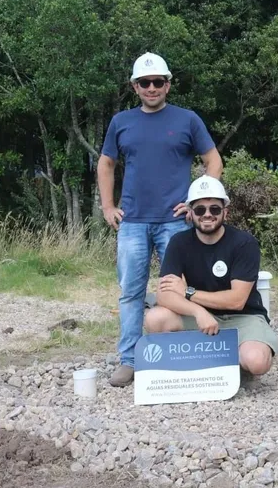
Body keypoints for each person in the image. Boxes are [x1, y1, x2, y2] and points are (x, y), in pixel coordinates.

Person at [98, 52, 223, 387]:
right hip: (133, 221)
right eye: (144, 83)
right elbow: (106, 164)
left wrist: (196, 202)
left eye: (158, 82)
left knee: (184, 288)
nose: (151, 88)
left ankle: (188, 353)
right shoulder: (121, 122)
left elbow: (213, 161)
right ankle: (129, 359)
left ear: (168, 84)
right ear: (134, 86)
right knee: (130, 292)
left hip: (175, 222)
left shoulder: (187, 120)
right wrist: (108, 207)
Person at [143, 175, 278, 376]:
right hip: (200, 319)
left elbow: (237, 301)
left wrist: (188, 292)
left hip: (244, 317)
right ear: (190, 213)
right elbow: (164, 295)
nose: (207, 214)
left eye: (214, 209)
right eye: (200, 209)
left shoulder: (244, 243)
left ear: (226, 213)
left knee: (257, 362)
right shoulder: (178, 243)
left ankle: (233, 364)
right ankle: (205, 365)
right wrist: (198, 312)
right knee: (154, 319)